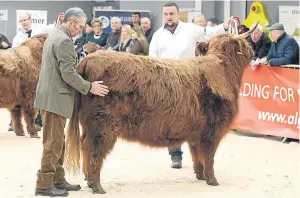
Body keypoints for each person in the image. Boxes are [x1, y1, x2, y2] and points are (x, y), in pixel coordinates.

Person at [34, 7, 109, 197]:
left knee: (58, 141)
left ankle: (57, 179)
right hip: (56, 99)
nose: (82, 30)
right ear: (72, 22)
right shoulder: (64, 41)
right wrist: (89, 86)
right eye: (81, 26)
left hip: (50, 97)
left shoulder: (54, 35)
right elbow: (68, 74)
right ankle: (43, 185)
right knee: (53, 144)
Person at [149, 1, 231, 169]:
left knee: (193, 117)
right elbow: (151, 59)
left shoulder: (190, 29)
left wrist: (225, 26)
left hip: (189, 81)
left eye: (172, 14)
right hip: (166, 82)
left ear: (178, 14)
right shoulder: (157, 35)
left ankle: (197, 156)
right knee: (171, 118)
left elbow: (209, 32)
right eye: (166, 14)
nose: (169, 17)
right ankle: (175, 155)